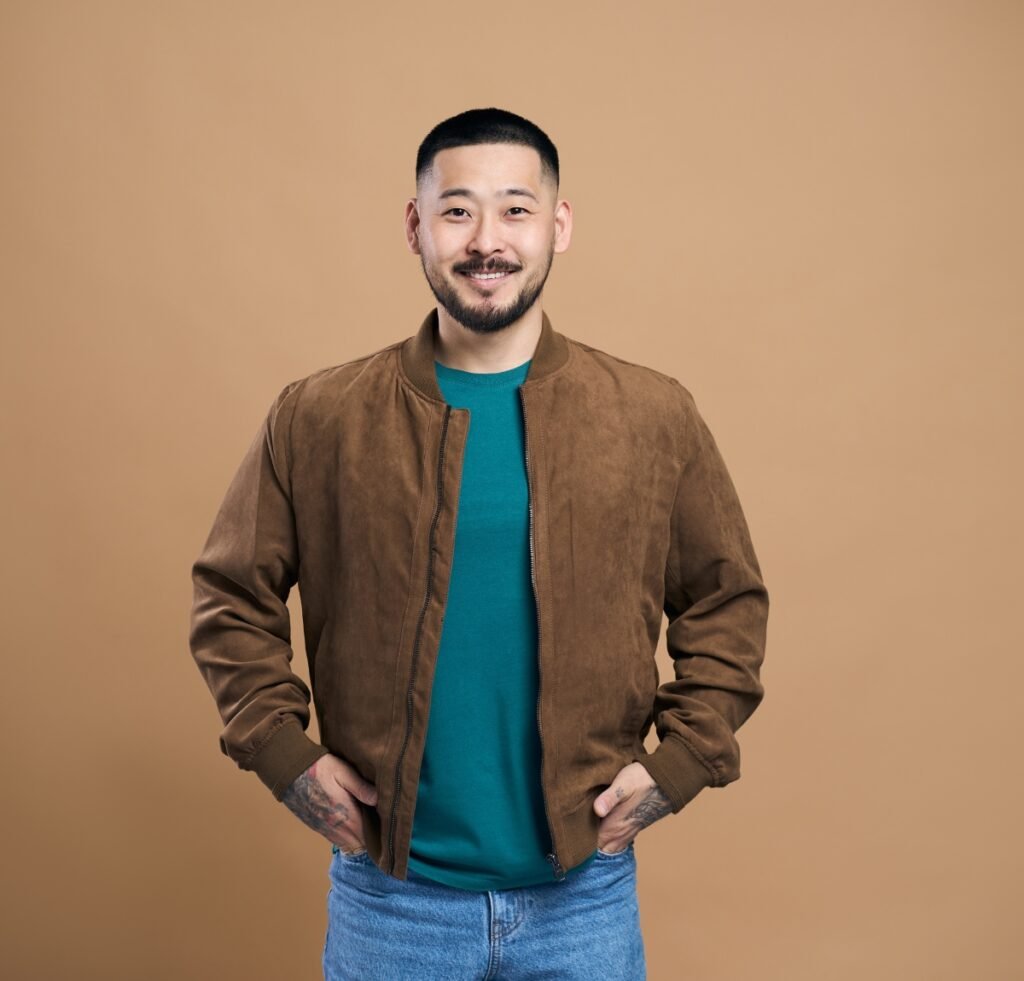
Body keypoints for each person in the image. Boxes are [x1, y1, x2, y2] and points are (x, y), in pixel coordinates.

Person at [188, 107, 770, 980]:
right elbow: (231, 593)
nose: (486, 240)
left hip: (585, 899)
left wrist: (683, 762)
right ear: (416, 227)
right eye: (457, 210)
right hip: (391, 900)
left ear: (558, 226)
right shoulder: (320, 417)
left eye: (515, 209)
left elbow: (728, 600)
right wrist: (283, 753)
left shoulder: (651, 415)